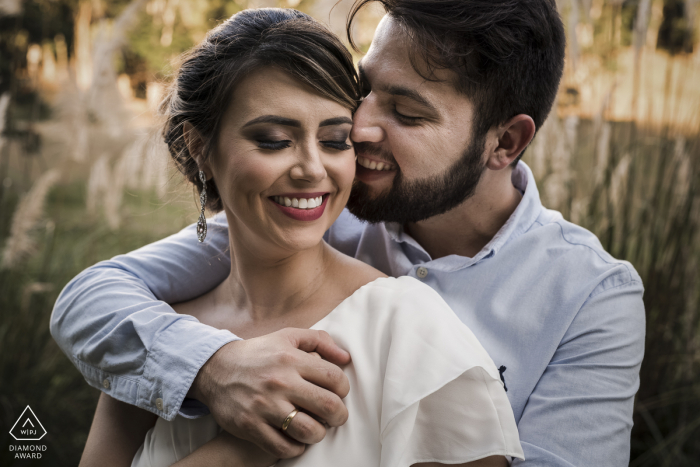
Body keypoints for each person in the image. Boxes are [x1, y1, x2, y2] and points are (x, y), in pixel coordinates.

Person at [51, 0, 646, 465]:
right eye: (365, 91)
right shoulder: (315, 212)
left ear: (505, 142)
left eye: (406, 113)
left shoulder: (591, 296)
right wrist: (214, 369)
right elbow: (95, 296)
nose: (357, 129)